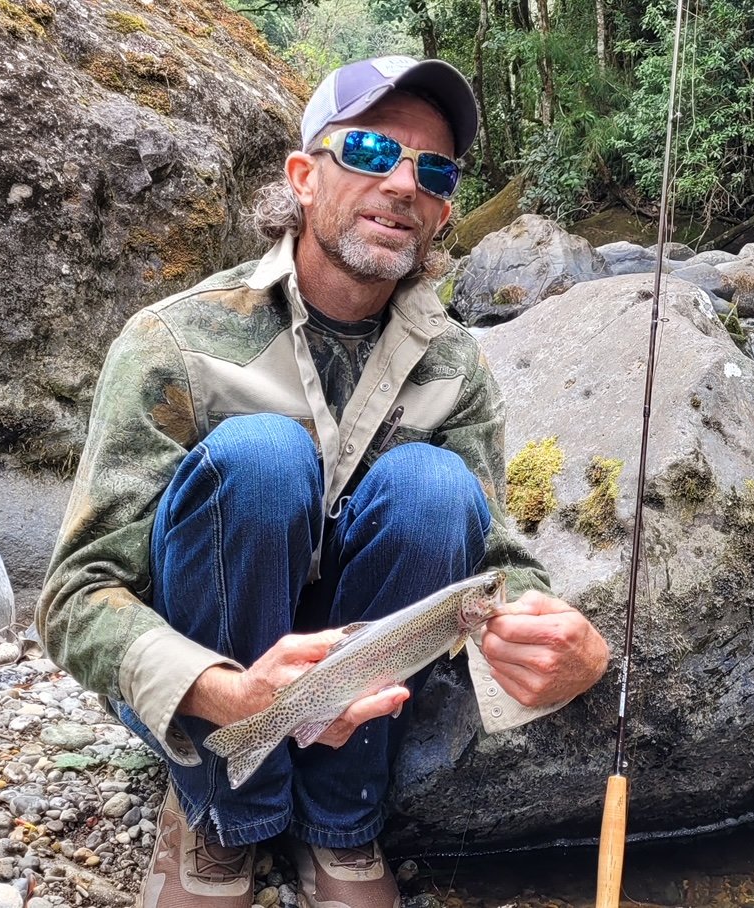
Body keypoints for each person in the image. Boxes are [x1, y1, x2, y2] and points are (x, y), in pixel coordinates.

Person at [36, 56, 612, 908]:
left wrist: (569, 644)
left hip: (365, 679)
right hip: (211, 672)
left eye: (435, 169)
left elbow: (495, 558)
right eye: (374, 151)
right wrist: (228, 694)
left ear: (447, 208)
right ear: (304, 178)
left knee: (434, 487)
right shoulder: (173, 341)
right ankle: (218, 814)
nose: (404, 183)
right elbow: (77, 594)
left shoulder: (457, 365)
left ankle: (340, 822)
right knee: (262, 458)